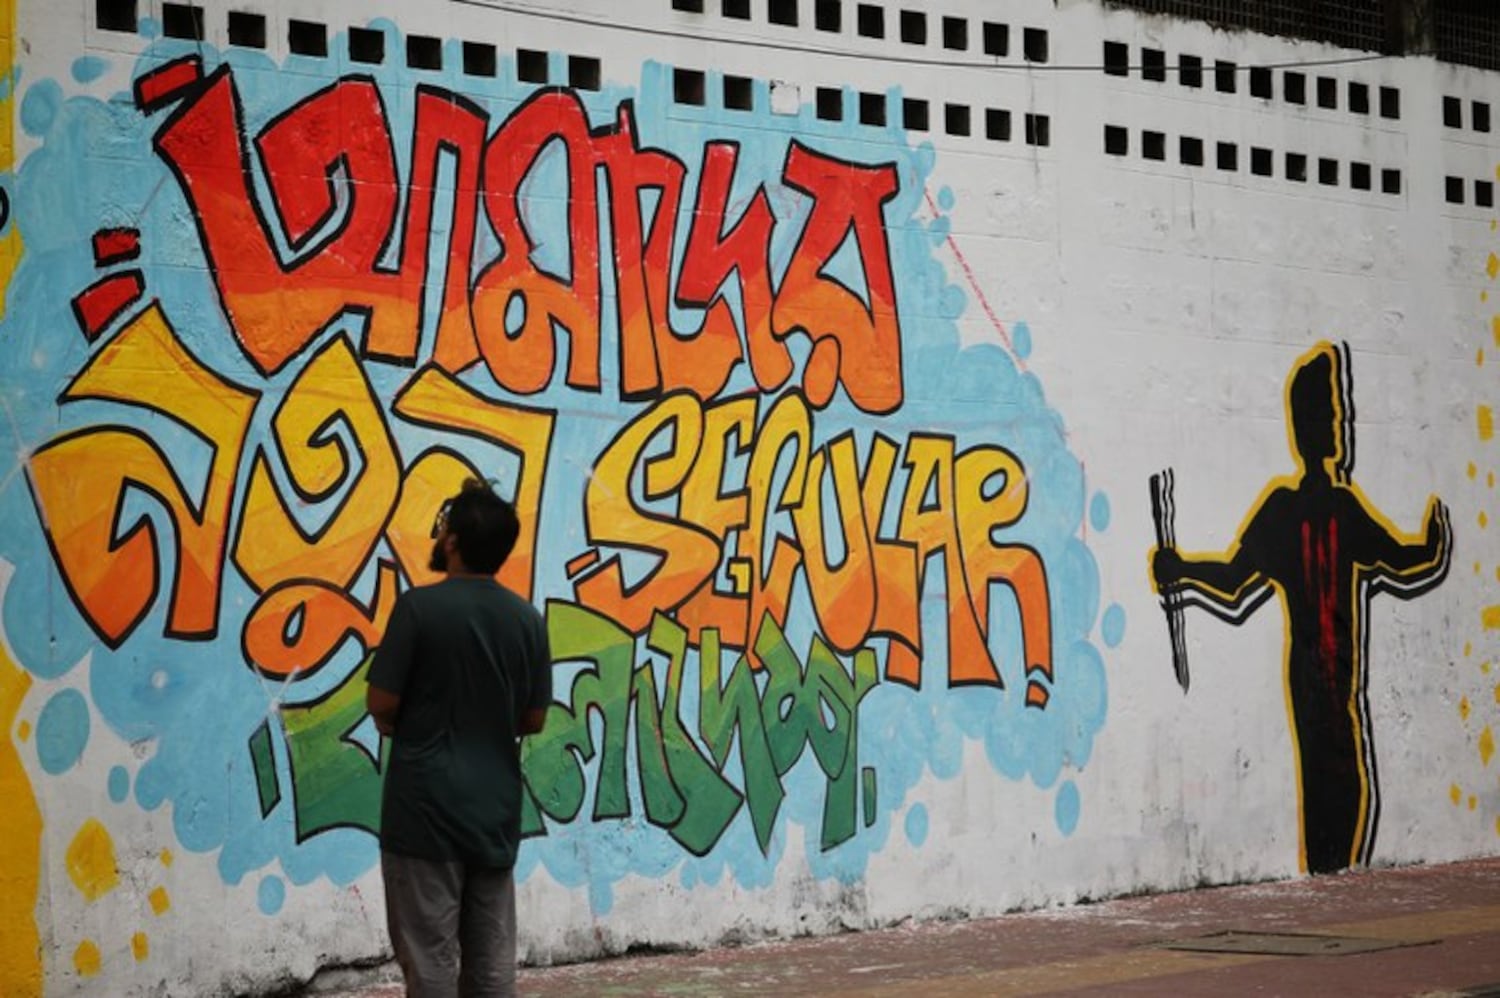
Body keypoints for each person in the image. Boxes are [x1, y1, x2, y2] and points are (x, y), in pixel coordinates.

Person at [1151, 342, 1450, 874]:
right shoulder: (1303, 509)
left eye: (1336, 411)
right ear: (1306, 426)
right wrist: (1183, 572)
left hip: (1331, 680)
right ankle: (1329, 874)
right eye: (1327, 413)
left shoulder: (1330, 508)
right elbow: (1236, 582)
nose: (1338, 424)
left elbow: (1235, 583)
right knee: (1334, 781)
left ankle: (1331, 875)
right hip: (1319, 678)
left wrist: (1183, 573)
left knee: (1341, 780)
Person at [367, 478, 552, 997]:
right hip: (493, 813)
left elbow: (380, 702)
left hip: (423, 812)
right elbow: (533, 718)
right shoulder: (528, 621)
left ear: (451, 541)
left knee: (429, 964)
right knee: (492, 966)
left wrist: (407, 721)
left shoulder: (417, 609)